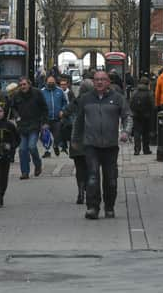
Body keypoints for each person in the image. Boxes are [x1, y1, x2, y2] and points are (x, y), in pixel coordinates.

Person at [73, 71, 132, 220]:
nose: (99, 82)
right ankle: (93, 207)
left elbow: (127, 116)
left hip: (110, 145)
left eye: (103, 80)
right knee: (92, 177)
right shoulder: (86, 99)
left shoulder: (117, 98)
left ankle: (109, 206)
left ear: (108, 82)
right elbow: (78, 120)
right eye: (97, 80)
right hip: (91, 144)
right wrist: (75, 140)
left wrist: (126, 132)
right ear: (93, 82)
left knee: (111, 179)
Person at [63, 79, 94, 205]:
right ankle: (89, 190)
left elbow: (64, 114)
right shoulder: (93, 101)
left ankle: (80, 191)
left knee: (79, 168)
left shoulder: (75, 101)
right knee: (91, 168)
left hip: (76, 140)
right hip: (91, 139)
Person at [11, 76, 48, 179]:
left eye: (24, 84)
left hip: (34, 125)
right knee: (22, 150)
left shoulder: (37, 93)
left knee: (31, 146)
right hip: (22, 126)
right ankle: (25, 172)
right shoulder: (16, 95)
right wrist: (16, 116)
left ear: (29, 84)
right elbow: (13, 107)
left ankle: (38, 164)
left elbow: (44, 108)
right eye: (21, 85)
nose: (23, 86)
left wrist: (44, 122)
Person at [0, 105, 20, 209]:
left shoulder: (9, 125)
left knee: (4, 177)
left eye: (0, 111)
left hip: (6, 155)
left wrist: (11, 147)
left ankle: (1, 194)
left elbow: (17, 139)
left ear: (4, 112)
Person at [41, 75, 67, 158]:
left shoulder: (60, 91)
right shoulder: (42, 92)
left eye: (52, 82)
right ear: (46, 82)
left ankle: (55, 145)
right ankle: (47, 151)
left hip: (57, 118)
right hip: (46, 118)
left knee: (57, 135)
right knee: (45, 136)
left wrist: (62, 110)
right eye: (49, 82)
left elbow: (65, 103)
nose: (51, 84)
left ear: (55, 82)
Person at [130, 76, 154, 155]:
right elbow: (152, 104)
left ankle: (137, 149)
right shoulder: (149, 93)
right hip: (146, 116)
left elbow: (131, 103)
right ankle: (146, 149)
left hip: (136, 115)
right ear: (147, 84)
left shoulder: (135, 92)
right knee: (145, 133)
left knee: (137, 132)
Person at [59, 77, 76, 154]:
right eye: (61, 84)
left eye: (64, 84)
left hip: (69, 113)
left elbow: (73, 103)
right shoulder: (58, 92)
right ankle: (63, 145)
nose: (63, 86)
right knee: (62, 127)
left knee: (71, 126)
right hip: (61, 113)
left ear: (67, 85)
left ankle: (69, 143)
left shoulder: (70, 93)